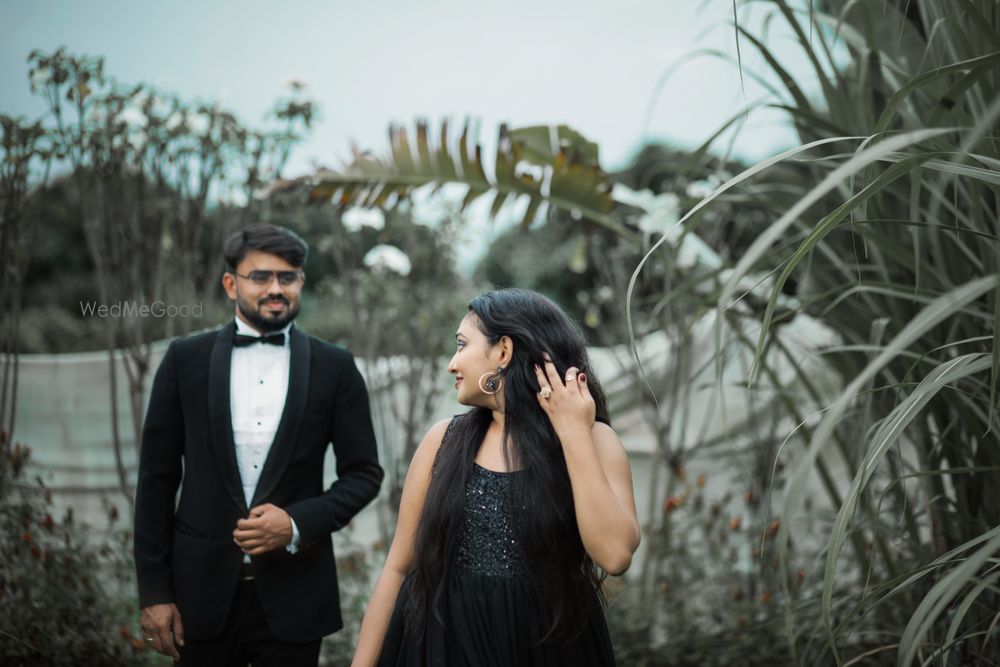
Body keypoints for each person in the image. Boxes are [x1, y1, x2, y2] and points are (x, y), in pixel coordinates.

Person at [134, 223, 384, 666]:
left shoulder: (337, 367)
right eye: (261, 277)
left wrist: (296, 523)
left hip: (297, 597)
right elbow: (156, 480)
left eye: (287, 278)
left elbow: (364, 473)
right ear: (231, 283)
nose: (276, 288)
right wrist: (154, 592)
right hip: (199, 599)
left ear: (301, 282)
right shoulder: (183, 360)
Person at [352, 288, 640, 666]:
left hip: (550, 648)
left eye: (462, 345)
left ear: (503, 352)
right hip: (442, 646)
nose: (452, 364)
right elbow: (397, 567)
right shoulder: (443, 441)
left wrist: (573, 433)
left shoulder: (595, 441)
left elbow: (615, 554)